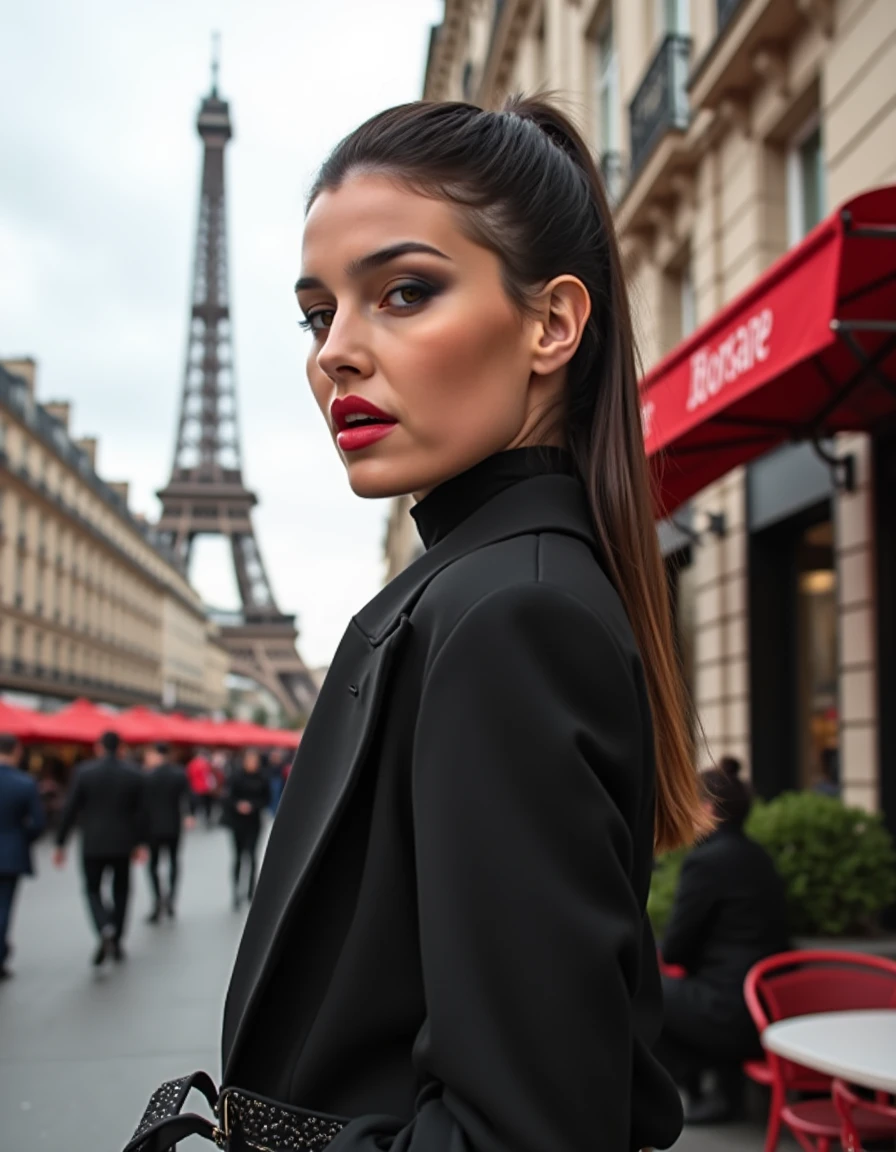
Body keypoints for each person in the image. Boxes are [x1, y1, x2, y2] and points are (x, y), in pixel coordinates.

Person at [125, 98, 710, 1152]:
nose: (334, 355)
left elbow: (521, 1137)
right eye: (317, 313)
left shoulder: (509, 616)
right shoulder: (485, 589)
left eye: (403, 292)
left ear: (551, 323)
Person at [657, 756, 790, 1124]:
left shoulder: (706, 862)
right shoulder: (759, 856)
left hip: (730, 1012)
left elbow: (675, 949)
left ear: (708, 808)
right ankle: (716, 1094)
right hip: (768, 1003)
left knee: (642, 988)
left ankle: (689, 1095)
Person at [54, 731, 146, 966]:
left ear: (98, 747)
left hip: (93, 843)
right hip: (123, 843)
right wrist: (140, 842)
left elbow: (70, 810)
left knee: (92, 889)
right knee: (122, 891)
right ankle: (117, 937)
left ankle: (104, 925)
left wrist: (60, 842)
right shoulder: (133, 774)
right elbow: (141, 813)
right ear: (121, 748)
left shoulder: (84, 773)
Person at [0, 734, 45, 980]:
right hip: (11, 853)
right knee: (4, 906)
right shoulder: (24, 783)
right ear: (17, 751)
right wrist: (20, 839)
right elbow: (38, 823)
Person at [141, 743, 193, 922]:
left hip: (152, 827)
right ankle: (171, 899)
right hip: (173, 824)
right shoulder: (178, 773)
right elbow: (189, 795)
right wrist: (189, 815)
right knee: (173, 862)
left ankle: (158, 900)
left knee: (153, 865)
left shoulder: (147, 775)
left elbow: (141, 805)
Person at [224, 749, 269, 910]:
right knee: (237, 857)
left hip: (254, 822)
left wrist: (253, 806)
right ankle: (236, 891)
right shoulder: (236, 777)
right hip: (238, 822)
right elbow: (228, 797)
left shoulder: (262, 778)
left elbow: (266, 799)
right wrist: (238, 805)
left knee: (252, 856)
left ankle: (250, 892)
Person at [186, 749, 215, 825]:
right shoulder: (206, 764)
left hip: (195, 788)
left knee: (194, 806)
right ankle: (207, 819)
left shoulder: (191, 764)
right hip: (204, 788)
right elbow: (208, 776)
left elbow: (188, 776)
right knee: (207, 805)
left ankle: (192, 819)